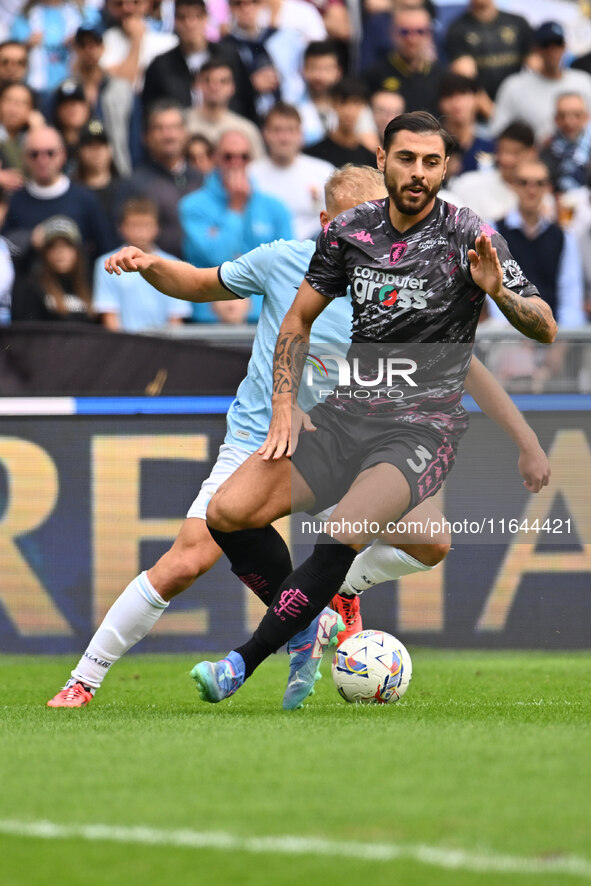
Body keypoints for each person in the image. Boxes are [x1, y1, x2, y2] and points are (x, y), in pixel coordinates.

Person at [47, 162, 550, 709]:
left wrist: (525, 439)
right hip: (261, 439)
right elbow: (196, 283)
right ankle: (85, 678)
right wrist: (149, 265)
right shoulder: (282, 260)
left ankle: (337, 589)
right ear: (326, 221)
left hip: (352, 440)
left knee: (431, 539)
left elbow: (468, 368)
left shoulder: (404, 287)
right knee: (186, 561)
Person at [195, 111, 557, 705]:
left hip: (421, 428)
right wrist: (283, 403)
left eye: (432, 161)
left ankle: (240, 662)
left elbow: (543, 327)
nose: (418, 172)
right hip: (347, 415)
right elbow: (299, 319)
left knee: (341, 533)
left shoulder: (471, 234)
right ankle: (312, 617)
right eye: (407, 158)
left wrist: (500, 294)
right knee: (228, 511)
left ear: (446, 167)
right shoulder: (349, 232)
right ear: (383, 159)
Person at [179, 128, 293, 322]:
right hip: (208, 321)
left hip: (263, 318)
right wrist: (235, 208)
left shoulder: (275, 207)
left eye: (243, 156)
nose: (236, 162)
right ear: (215, 157)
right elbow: (218, 256)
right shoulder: (192, 205)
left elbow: (288, 267)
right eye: (228, 156)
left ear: (251, 160)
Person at [2, 124, 115, 266]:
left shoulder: (85, 198)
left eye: (50, 153)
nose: (42, 160)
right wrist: (29, 239)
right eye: (34, 154)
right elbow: (5, 250)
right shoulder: (16, 200)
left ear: (63, 155)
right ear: (24, 158)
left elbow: (105, 251)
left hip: (79, 285)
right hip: (29, 285)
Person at [116, 100, 202, 258]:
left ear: (186, 134)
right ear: (146, 137)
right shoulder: (134, 184)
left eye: (175, 127)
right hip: (155, 275)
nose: (168, 135)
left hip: (202, 271)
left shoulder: (201, 180)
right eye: (159, 128)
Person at [92, 196, 191, 331]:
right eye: (134, 225)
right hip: (124, 346)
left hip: (164, 346)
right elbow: (110, 317)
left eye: (146, 225)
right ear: (121, 227)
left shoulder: (173, 264)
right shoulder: (107, 263)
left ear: (157, 227)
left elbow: (176, 317)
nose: (140, 232)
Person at [490, 22, 591, 143]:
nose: (552, 50)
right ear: (535, 48)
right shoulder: (514, 85)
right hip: (531, 157)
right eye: (546, 45)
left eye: (557, 44)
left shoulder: (583, 81)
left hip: (579, 156)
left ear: (564, 46)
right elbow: (499, 130)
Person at [249, 102, 334, 240]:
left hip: (313, 251)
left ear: (301, 134)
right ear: (265, 134)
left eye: (291, 130)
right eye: (277, 130)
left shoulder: (324, 172)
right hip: (265, 250)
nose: (284, 138)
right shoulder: (250, 174)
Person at [71, 24, 135, 177]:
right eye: (83, 45)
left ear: (103, 48)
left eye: (95, 44)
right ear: (76, 49)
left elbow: (134, 134)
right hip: (77, 171)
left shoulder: (122, 89)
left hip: (118, 169)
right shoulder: (67, 90)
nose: (89, 50)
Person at [10, 214, 95, 322]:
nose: (60, 252)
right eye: (52, 246)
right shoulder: (32, 288)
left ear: (78, 251)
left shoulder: (91, 285)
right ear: (44, 253)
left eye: (67, 245)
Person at [363, 4, 443, 117]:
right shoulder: (372, 77)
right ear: (392, 34)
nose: (412, 39)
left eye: (419, 31)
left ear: (429, 34)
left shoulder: (441, 78)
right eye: (405, 32)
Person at [444, 0, 531, 103]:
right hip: (482, 113)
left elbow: (535, 66)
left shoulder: (518, 23)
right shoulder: (458, 29)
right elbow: (466, 80)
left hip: (519, 103)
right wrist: (494, 115)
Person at [452, 121, 536, 222]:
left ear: (532, 153)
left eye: (515, 153)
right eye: (502, 150)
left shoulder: (540, 193)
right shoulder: (467, 184)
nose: (506, 159)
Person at [184, 57, 265, 158]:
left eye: (223, 81)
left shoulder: (247, 130)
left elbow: (256, 169)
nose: (214, 86)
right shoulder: (182, 123)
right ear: (197, 84)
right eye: (207, 80)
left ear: (232, 87)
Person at [304, 77, 376, 168]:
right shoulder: (313, 155)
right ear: (333, 103)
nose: (349, 111)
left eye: (355, 103)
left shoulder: (371, 161)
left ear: (363, 106)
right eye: (343, 102)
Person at [437, 72, 495, 176]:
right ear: (440, 103)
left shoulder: (492, 139)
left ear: (477, 98)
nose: (456, 102)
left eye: (463, 94)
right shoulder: (434, 142)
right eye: (449, 95)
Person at [540, 92, 591, 196]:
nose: (569, 121)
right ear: (556, 119)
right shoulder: (546, 149)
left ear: (586, 117)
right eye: (563, 116)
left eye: (576, 115)